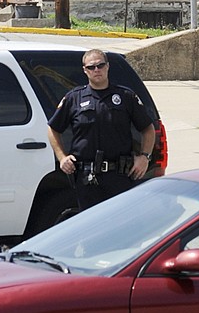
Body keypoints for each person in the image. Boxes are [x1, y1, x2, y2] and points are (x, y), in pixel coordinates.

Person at [47, 49, 155, 211]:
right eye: (91, 67)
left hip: (119, 176)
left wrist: (145, 157)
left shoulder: (125, 96)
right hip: (86, 178)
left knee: (120, 222)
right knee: (90, 226)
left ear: (107, 66)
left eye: (100, 65)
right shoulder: (74, 98)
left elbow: (148, 129)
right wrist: (62, 157)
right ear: (85, 70)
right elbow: (53, 128)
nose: (96, 70)